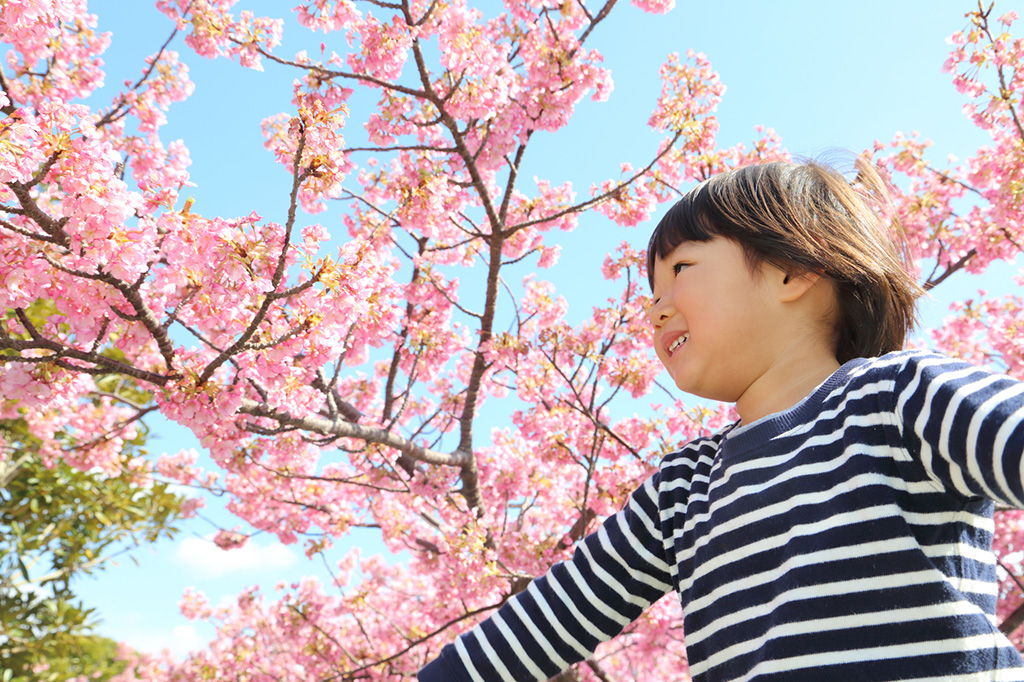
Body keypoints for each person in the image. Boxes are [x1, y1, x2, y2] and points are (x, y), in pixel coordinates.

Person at [417, 159, 1024, 681]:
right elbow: (543, 622)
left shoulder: (897, 396)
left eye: (679, 270)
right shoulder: (685, 488)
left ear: (795, 269)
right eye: (651, 292)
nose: (656, 310)